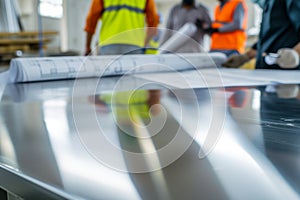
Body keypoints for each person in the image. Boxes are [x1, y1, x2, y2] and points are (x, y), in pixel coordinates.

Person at [223, 0, 300, 69]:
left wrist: (295, 53)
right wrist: (245, 57)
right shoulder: (269, 3)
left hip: (287, 74)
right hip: (266, 73)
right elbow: (269, 39)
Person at [84, 0, 159, 55]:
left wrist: (88, 47)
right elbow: (153, 22)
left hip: (109, 44)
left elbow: (91, 20)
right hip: (134, 45)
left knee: (108, 75)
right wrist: (144, 44)